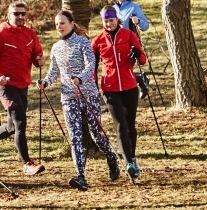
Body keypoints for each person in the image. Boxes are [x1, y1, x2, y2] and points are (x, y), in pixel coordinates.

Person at [37, 10, 120, 191]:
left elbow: (91, 64)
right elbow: (54, 72)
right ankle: (80, 176)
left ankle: (111, 157)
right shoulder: (56, 47)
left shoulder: (82, 42)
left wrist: (80, 78)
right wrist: (45, 82)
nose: (59, 27)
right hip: (68, 97)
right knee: (75, 136)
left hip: (88, 94)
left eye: (62, 23)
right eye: (57, 24)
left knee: (96, 135)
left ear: (72, 24)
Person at [0, 1, 45, 176]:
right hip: (5, 85)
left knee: (11, 127)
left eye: (23, 13)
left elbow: (37, 53)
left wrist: (39, 60)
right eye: (16, 14)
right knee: (20, 121)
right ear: (8, 15)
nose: (20, 17)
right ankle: (27, 164)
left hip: (23, 83)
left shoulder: (30, 34)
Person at [91, 5, 147, 179]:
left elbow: (143, 60)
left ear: (117, 19)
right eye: (105, 21)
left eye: (111, 20)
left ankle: (133, 159)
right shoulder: (98, 41)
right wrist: (92, 85)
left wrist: (137, 53)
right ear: (102, 21)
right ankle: (129, 163)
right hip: (110, 88)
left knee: (130, 126)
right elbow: (93, 67)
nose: (108, 23)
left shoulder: (129, 35)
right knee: (120, 125)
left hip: (129, 86)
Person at [113, 0, 150, 99]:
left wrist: (138, 21)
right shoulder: (113, 8)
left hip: (130, 46)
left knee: (121, 71)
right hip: (115, 47)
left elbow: (146, 26)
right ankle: (140, 79)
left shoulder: (134, 7)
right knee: (118, 72)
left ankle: (139, 82)